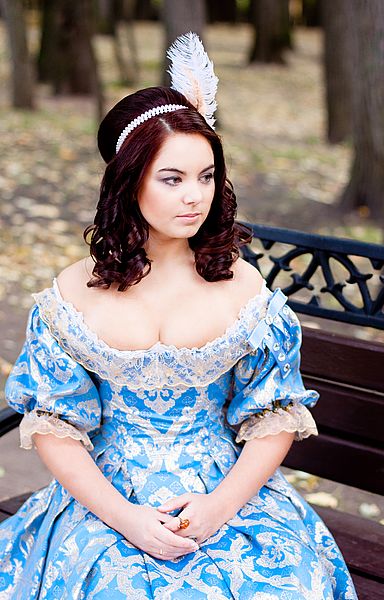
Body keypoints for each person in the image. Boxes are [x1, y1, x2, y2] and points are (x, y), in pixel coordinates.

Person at [0, 33, 357, 599]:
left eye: (207, 176)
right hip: (107, 497)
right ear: (129, 180)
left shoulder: (243, 288)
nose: (196, 197)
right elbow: (57, 429)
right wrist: (128, 519)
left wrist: (216, 509)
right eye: (173, 178)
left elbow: (275, 416)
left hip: (226, 492)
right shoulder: (71, 295)